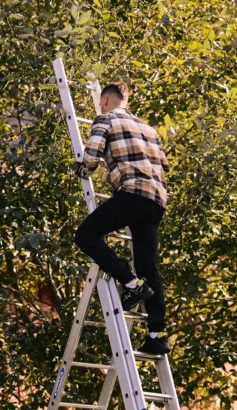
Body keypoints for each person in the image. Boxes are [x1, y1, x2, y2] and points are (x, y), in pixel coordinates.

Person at [74, 80, 170, 355]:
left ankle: (131, 283)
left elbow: (90, 159)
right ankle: (158, 334)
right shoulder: (149, 129)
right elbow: (164, 165)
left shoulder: (105, 119)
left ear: (105, 99)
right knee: (148, 265)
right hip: (156, 200)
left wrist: (80, 171)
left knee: (85, 235)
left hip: (131, 194)